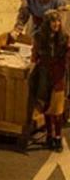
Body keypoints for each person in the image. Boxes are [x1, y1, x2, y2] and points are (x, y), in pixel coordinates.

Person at [30, 13, 69, 151]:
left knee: (57, 110)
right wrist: (32, 65)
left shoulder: (64, 38)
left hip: (58, 76)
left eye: (58, 21)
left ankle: (57, 137)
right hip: (44, 74)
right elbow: (35, 54)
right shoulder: (40, 37)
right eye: (53, 22)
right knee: (46, 107)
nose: (56, 24)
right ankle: (49, 136)